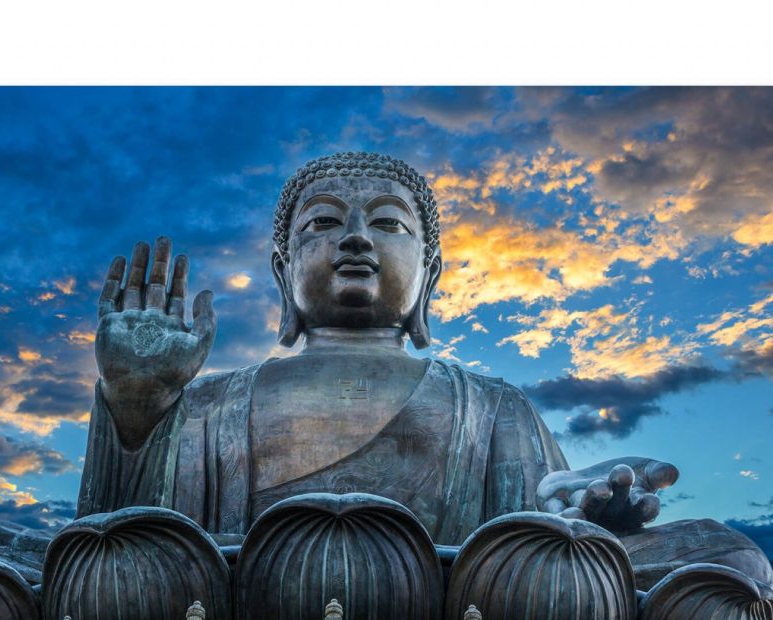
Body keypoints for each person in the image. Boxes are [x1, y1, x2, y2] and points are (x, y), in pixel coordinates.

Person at [72, 151, 772, 589]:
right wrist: (136, 408)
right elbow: (115, 536)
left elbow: (542, 521)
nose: (352, 237)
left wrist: (586, 513)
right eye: (320, 224)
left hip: (461, 596)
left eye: (387, 224)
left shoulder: (491, 405)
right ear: (283, 273)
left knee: (731, 560)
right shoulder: (209, 403)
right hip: (236, 593)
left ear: (429, 275)